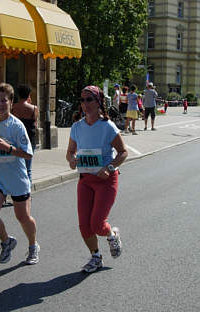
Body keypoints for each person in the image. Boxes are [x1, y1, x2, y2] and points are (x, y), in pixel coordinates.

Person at [66, 85, 128, 273]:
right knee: (84, 225)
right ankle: (96, 257)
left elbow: (123, 152)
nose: (85, 104)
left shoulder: (107, 126)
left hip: (106, 181)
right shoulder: (77, 127)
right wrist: (72, 160)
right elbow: (70, 152)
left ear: (99, 102)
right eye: (83, 100)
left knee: (98, 224)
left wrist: (109, 168)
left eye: (89, 100)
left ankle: (112, 234)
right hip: (85, 180)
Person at [0, 82, 39, 265]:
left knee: (22, 217)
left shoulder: (17, 125)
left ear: (11, 102)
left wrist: (9, 148)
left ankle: (33, 245)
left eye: (4, 100)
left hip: (17, 179)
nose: (0, 104)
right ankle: (7, 241)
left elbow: (28, 153)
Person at [12, 84, 38, 183]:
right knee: (28, 169)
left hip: (17, 139)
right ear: (28, 95)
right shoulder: (34, 108)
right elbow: (35, 124)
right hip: (30, 140)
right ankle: (28, 192)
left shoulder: (14, 107)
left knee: (18, 166)